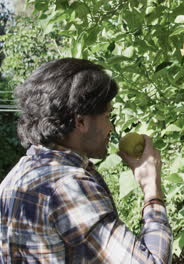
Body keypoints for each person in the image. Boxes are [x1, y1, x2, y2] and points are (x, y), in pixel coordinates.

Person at [0, 58, 172, 263]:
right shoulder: (67, 187)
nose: (112, 128)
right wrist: (152, 190)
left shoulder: (16, 177)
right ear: (80, 121)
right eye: (108, 116)